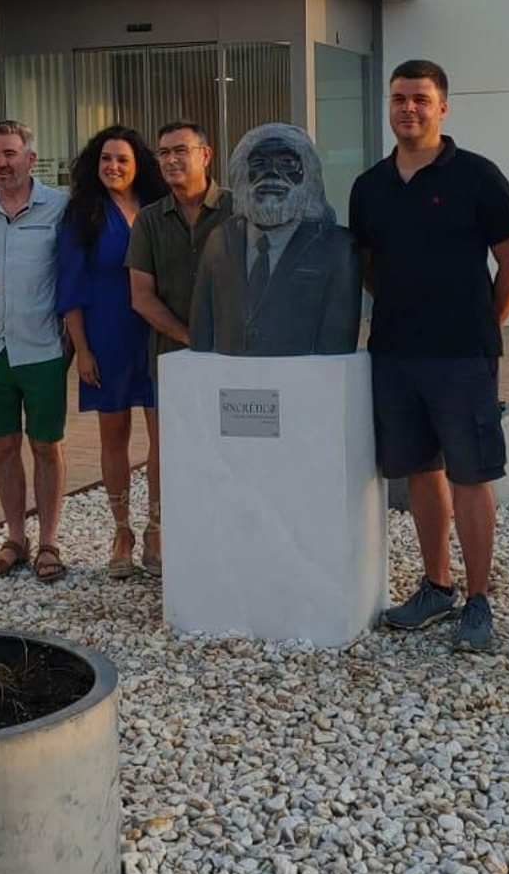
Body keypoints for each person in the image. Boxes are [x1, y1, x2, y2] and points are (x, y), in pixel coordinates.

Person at [349, 61, 509, 651]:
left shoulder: (477, 176)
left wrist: (482, 325)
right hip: (396, 354)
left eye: (421, 100)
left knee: (471, 474)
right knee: (421, 471)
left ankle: (479, 599)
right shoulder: (370, 186)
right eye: (399, 99)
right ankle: (437, 586)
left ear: (443, 107)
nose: (408, 109)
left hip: (462, 356)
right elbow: (369, 268)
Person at [57, 126, 167, 578]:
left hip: (157, 333)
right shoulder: (82, 215)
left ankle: (157, 528)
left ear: (138, 163)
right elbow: (70, 287)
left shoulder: (159, 209)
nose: (113, 167)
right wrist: (81, 349)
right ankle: (121, 529)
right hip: (105, 334)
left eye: (121, 159)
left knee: (164, 437)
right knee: (114, 435)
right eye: (105, 159)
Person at [126, 118, 233, 572]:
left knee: (231, 448)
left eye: (179, 151)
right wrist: (191, 337)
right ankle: (162, 537)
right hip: (172, 358)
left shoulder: (238, 210)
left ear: (205, 155)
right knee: (167, 451)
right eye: (163, 153)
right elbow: (141, 296)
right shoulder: (150, 219)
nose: (170, 160)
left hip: (235, 358)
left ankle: (227, 536)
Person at [0, 119, 71, 582]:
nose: (1, 164)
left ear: (31, 158)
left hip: (43, 346)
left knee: (45, 444)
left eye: (9, 154)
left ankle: (49, 541)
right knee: (4, 445)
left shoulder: (60, 208)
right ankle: (16, 538)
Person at [189, 123, 362, 357]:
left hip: (309, 381)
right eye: (259, 164)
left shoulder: (338, 248)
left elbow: (336, 343)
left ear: (307, 175)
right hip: (228, 379)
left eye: (287, 164)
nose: (271, 174)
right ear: (242, 175)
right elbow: (202, 333)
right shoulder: (220, 240)